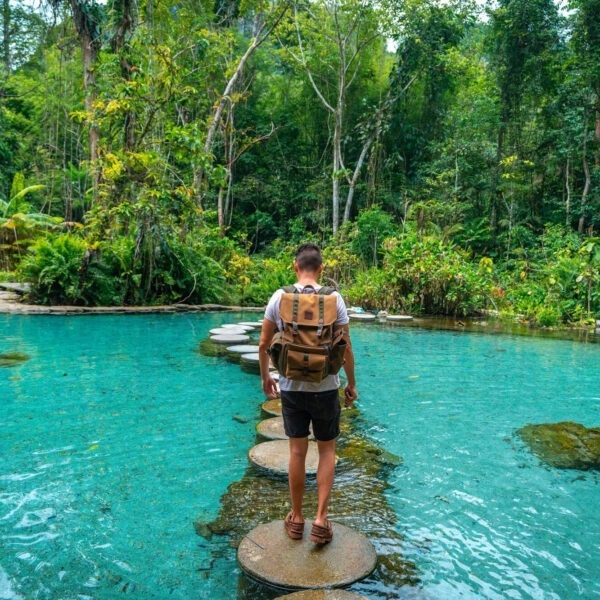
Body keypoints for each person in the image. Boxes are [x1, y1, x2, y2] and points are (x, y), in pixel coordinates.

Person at [258, 243, 358, 544]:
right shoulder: (334, 299)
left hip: (290, 389)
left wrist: (266, 377)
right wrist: (351, 383)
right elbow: (346, 347)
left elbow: (264, 344)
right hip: (326, 387)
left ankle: (297, 518)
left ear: (295, 266)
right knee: (327, 451)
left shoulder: (279, 296)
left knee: (297, 452)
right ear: (322, 269)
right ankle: (321, 520)